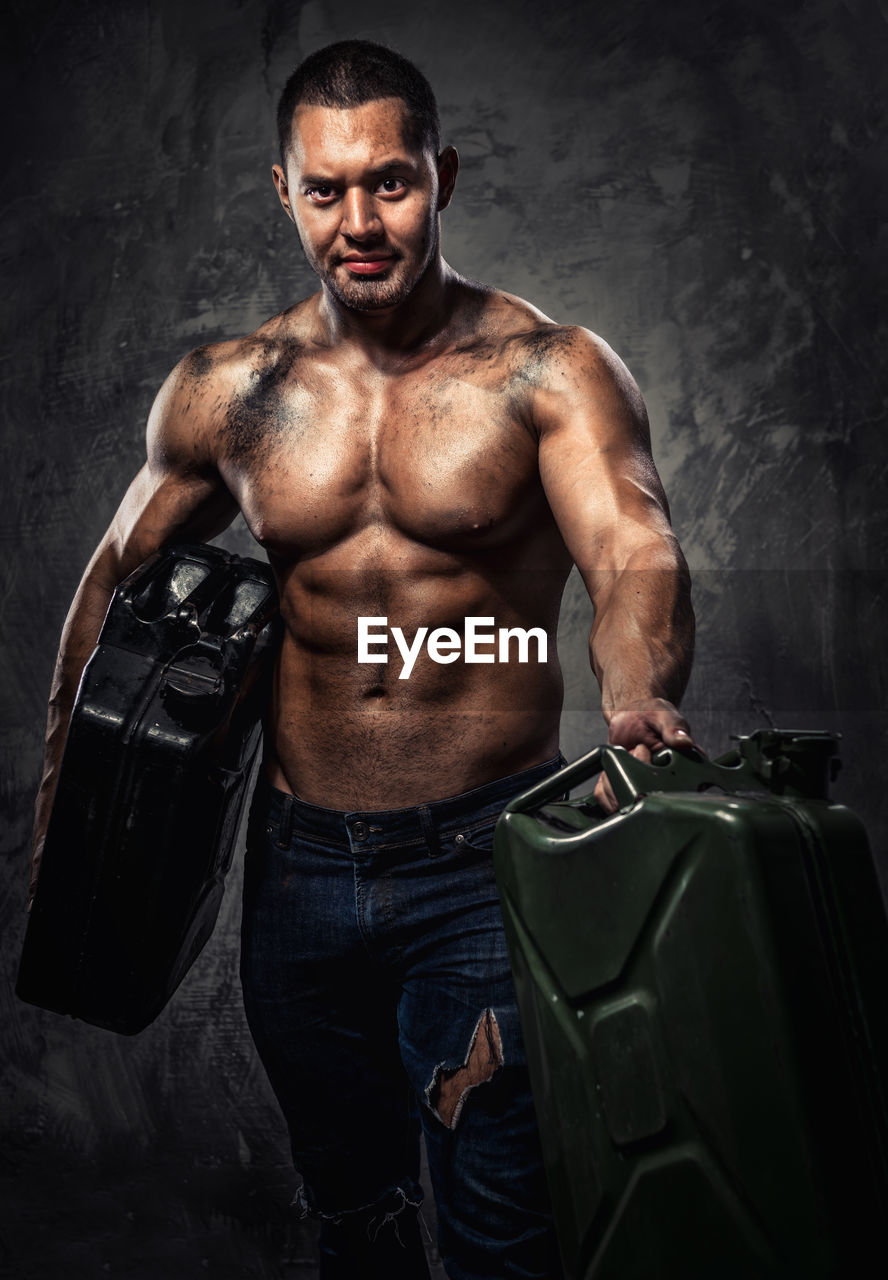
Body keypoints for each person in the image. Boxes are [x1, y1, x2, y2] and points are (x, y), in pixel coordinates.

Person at [30, 39, 695, 1280]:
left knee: (503, 1227)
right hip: (297, 878)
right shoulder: (232, 390)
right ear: (284, 192)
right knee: (357, 1218)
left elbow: (631, 550)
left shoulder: (547, 372)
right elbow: (112, 581)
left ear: (441, 176)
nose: (360, 220)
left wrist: (637, 687)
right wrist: (67, 783)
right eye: (327, 190)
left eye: (389, 182)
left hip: (482, 861)